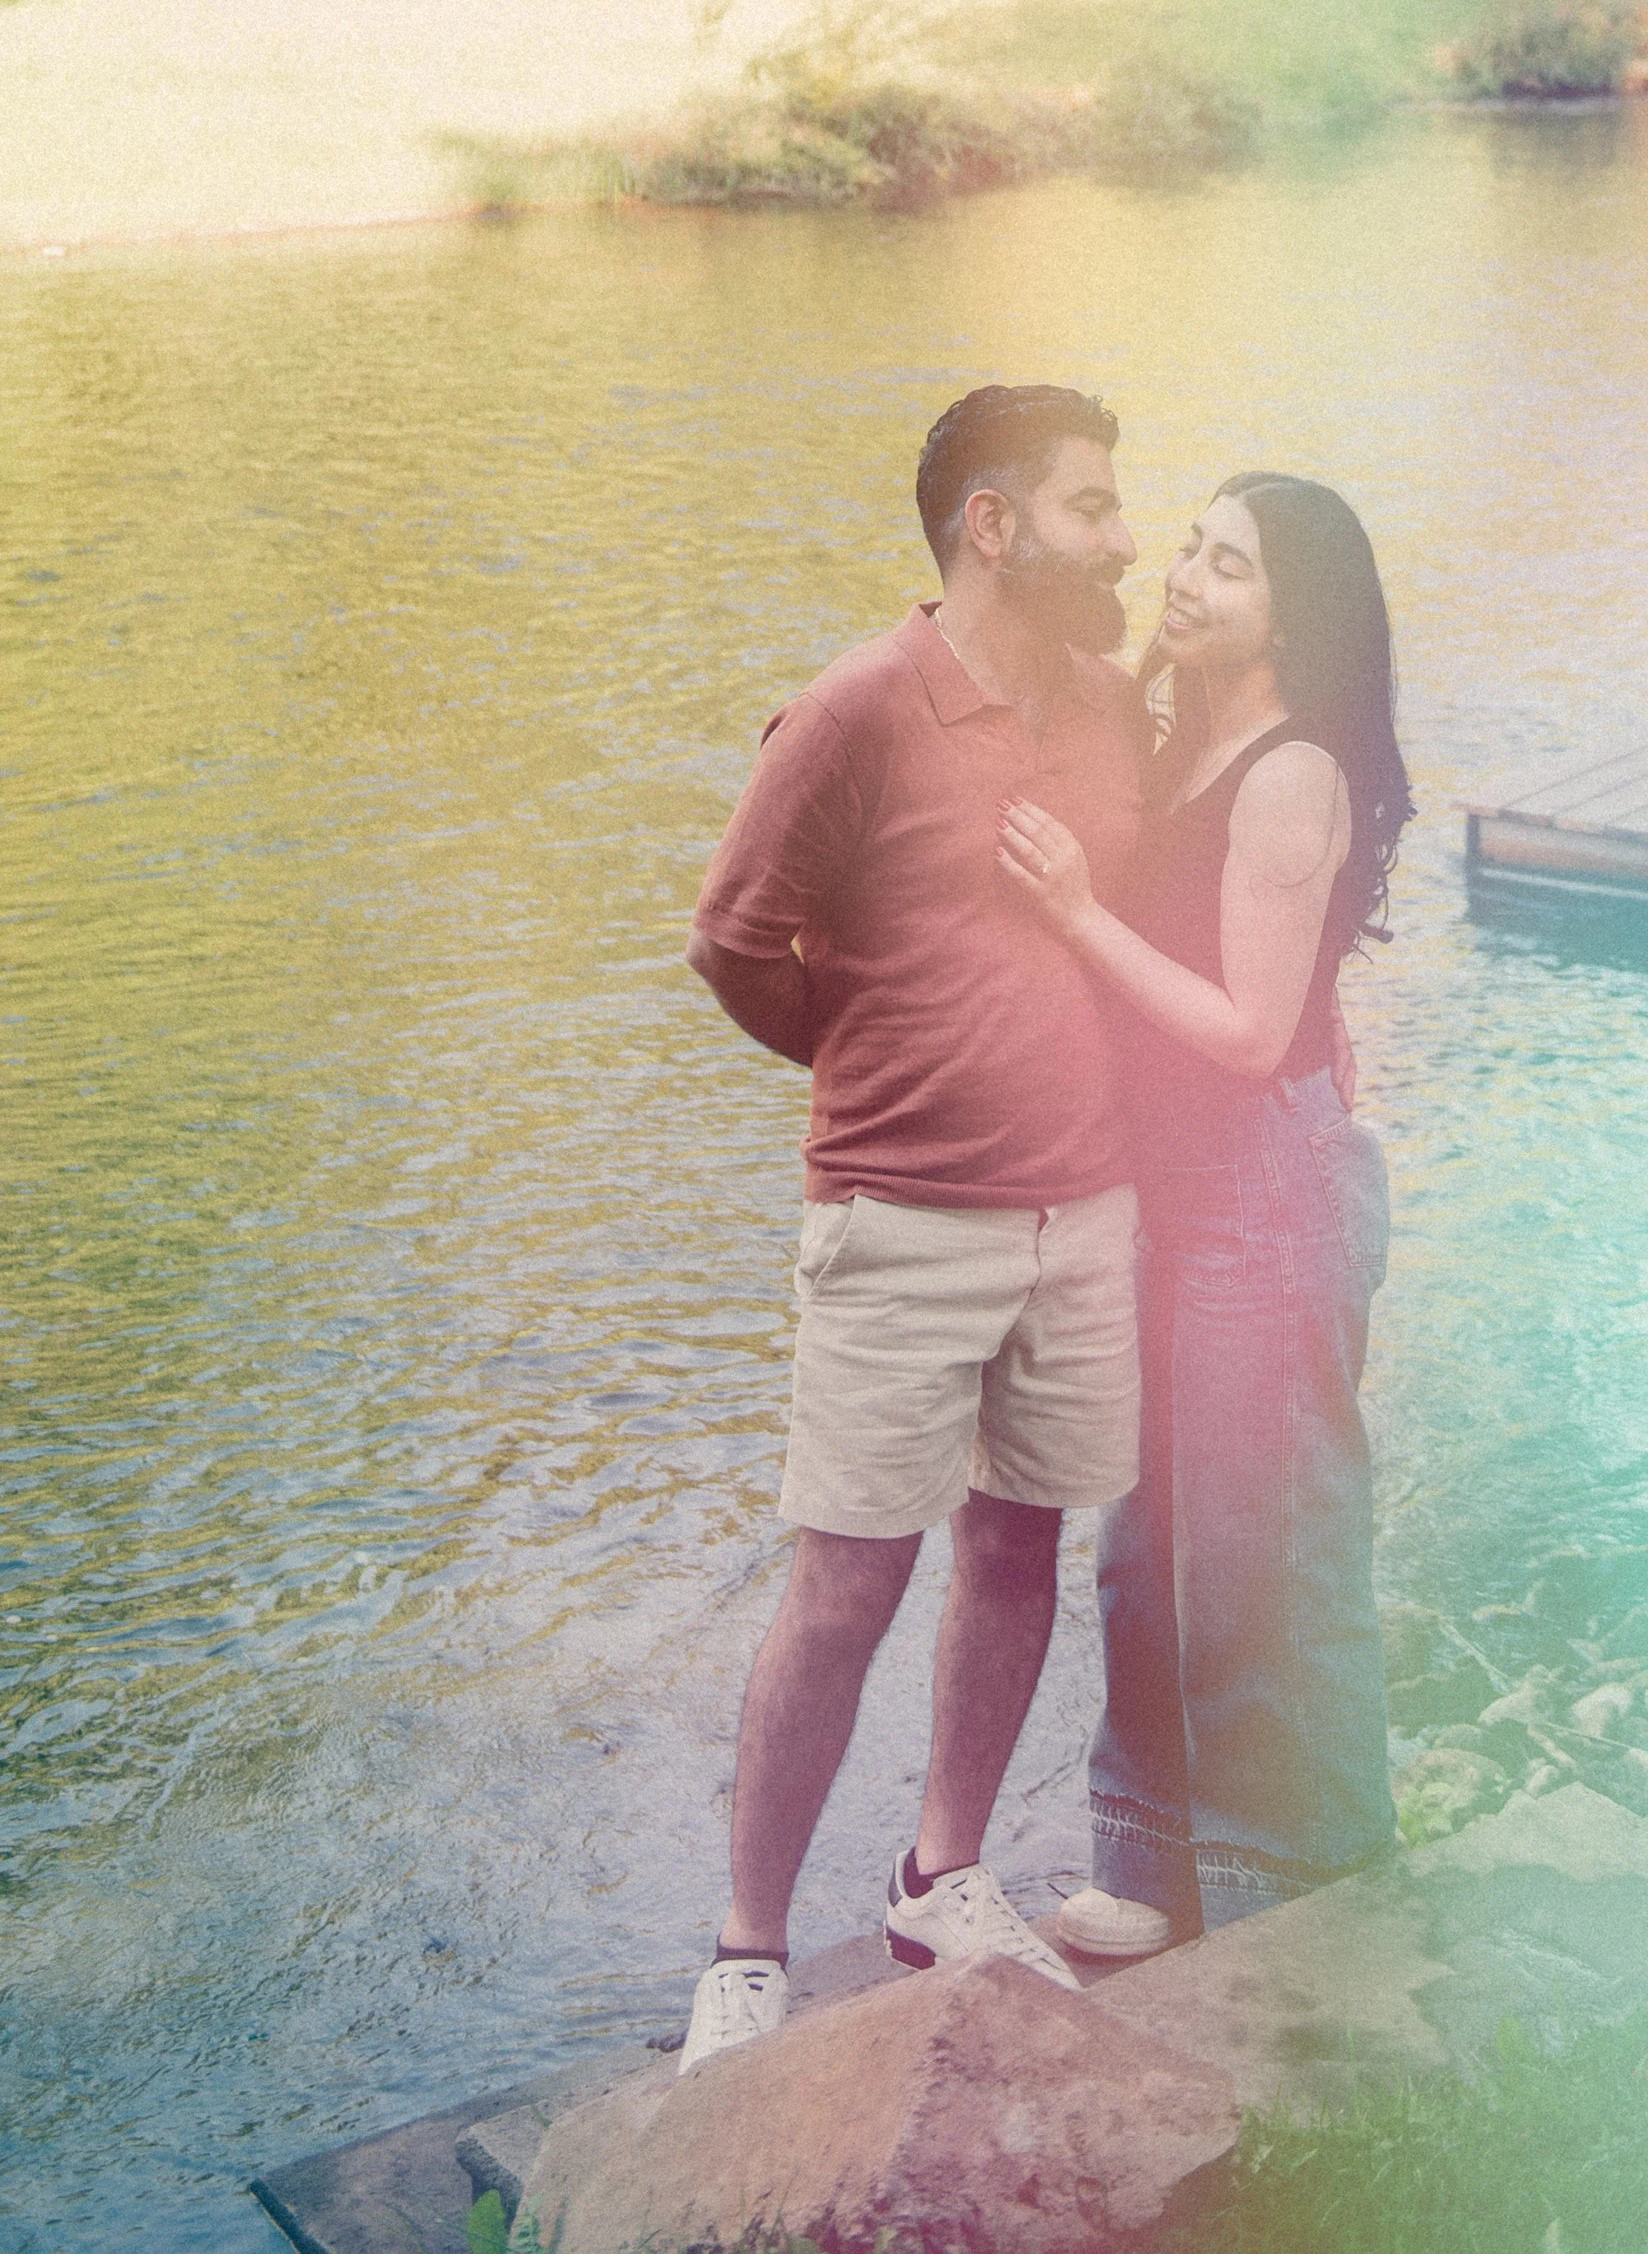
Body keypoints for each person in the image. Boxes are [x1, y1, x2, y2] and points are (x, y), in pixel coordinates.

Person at [674, 384, 1148, 2071]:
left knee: (1019, 1545)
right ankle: (745, 1950)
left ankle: (942, 1874)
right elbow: (733, 942)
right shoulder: (858, 709)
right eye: (1093, 506)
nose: (1126, 538)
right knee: (846, 1581)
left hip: (1082, 1212)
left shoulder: (1108, 702)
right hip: (898, 1219)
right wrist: (872, 1059)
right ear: (993, 526)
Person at [996, 469, 1408, 1951]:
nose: (1185, 576)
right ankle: (1154, 1859)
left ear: (1292, 618)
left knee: (1264, 1546)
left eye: (1230, 566)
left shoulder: (1292, 772)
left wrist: (1074, 913)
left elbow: (1246, 1031)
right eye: (1189, 547)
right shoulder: (1179, 741)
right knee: (1144, 1540)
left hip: (1264, 1187)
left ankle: (1292, 1891)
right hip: (1167, 1187)